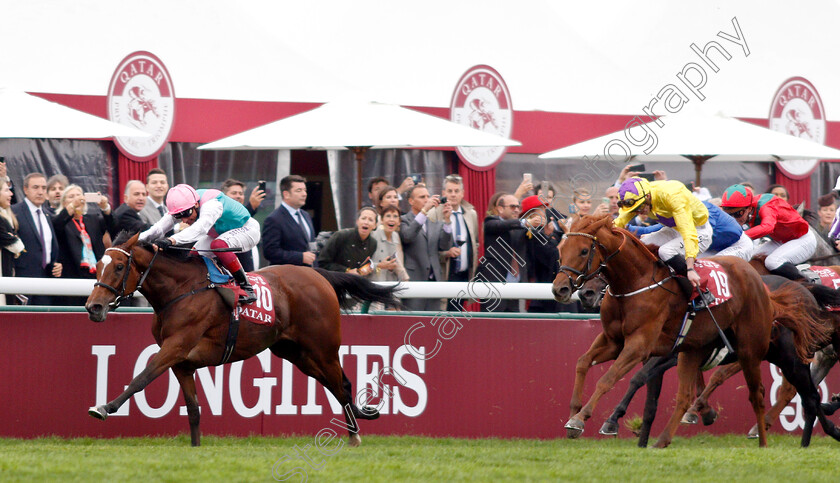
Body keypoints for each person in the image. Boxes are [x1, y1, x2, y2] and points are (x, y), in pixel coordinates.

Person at [140, 184, 261, 304]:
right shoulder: (185, 205)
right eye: (178, 217)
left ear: (196, 204)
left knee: (218, 245)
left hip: (248, 229)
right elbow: (158, 229)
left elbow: (199, 229)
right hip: (221, 233)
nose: (184, 220)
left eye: (186, 215)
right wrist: (134, 241)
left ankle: (247, 288)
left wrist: (170, 240)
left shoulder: (212, 205)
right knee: (194, 255)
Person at [615, 177, 712, 298]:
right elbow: (617, 224)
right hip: (673, 229)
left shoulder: (673, 195)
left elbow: (688, 232)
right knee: (642, 245)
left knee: (665, 251)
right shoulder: (638, 198)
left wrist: (690, 268)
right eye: (634, 211)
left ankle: (701, 291)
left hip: (698, 231)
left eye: (639, 208)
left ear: (648, 197)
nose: (639, 213)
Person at [721, 184, 815, 280]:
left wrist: (739, 237)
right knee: (750, 259)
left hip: (802, 239)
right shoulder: (748, 210)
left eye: (738, 214)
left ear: (749, 208)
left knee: (773, 262)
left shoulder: (766, 207)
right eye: (729, 215)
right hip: (780, 240)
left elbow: (767, 227)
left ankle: (807, 284)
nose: (734, 219)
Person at [51, 185, 114, 305]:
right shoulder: (60, 220)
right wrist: (72, 207)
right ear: (64, 202)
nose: (76, 199)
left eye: (79, 195)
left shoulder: (92, 219)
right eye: (71, 197)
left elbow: (113, 225)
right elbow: (57, 226)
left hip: (94, 275)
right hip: (72, 275)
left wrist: (105, 207)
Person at [12, 173, 63, 305]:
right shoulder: (15, 212)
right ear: (25, 189)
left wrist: (55, 264)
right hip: (22, 282)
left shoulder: (46, 214)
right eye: (35, 187)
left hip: (46, 280)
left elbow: (48, 246)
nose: (40, 192)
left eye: (43, 188)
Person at [400, 185, 453, 311]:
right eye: (422, 197)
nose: (427, 200)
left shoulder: (433, 222)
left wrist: (447, 220)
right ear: (411, 201)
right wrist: (424, 211)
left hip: (434, 281)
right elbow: (408, 236)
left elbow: (444, 246)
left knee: (432, 323)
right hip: (414, 280)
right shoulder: (403, 220)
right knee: (413, 322)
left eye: (428, 196)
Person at [476, 193, 530, 312]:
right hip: (493, 284)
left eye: (518, 207)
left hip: (515, 285)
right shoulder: (491, 221)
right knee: (491, 325)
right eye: (512, 207)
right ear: (500, 209)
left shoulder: (520, 226)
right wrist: (523, 222)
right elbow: (499, 225)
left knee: (512, 325)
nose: (516, 210)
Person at [519, 195, 569, 313]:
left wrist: (551, 235)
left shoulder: (542, 231)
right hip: (540, 288)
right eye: (541, 208)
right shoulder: (532, 232)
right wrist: (567, 234)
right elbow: (555, 254)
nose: (545, 212)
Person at [427, 174, 479, 284]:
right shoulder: (434, 214)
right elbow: (429, 250)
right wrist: (446, 253)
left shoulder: (471, 214)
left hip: (465, 275)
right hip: (444, 276)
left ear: (462, 193)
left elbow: (476, 243)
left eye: (457, 191)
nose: (453, 195)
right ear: (444, 193)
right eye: (450, 191)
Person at [262, 175, 317, 266]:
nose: (304, 194)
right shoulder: (274, 219)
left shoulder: (305, 215)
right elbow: (270, 252)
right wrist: (300, 257)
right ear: (286, 194)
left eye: (305, 190)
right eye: (299, 190)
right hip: (287, 275)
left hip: (309, 273)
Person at [317, 206, 379, 275]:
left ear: (375, 225)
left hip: (354, 281)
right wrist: (346, 270)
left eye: (370, 220)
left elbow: (361, 267)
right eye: (363, 218)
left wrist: (364, 270)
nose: (366, 222)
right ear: (357, 221)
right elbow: (322, 262)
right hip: (334, 279)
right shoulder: (341, 235)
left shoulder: (373, 243)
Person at [222, 178, 266, 271]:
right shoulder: (220, 215)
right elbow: (234, 223)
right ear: (224, 196)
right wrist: (251, 207)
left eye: (241, 194)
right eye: (234, 193)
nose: (238, 196)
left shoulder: (249, 218)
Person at [0, 180, 24, 305]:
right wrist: (14, 240)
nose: (11, 194)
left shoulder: (7, 217)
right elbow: (16, 244)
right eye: (6, 190)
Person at [369, 205, 409, 283]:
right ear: (382, 220)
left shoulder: (395, 235)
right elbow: (364, 263)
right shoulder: (373, 235)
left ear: (399, 222)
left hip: (389, 282)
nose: (391, 219)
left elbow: (397, 261)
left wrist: (405, 279)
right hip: (372, 282)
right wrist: (380, 265)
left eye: (395, 216)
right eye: (388, 216)